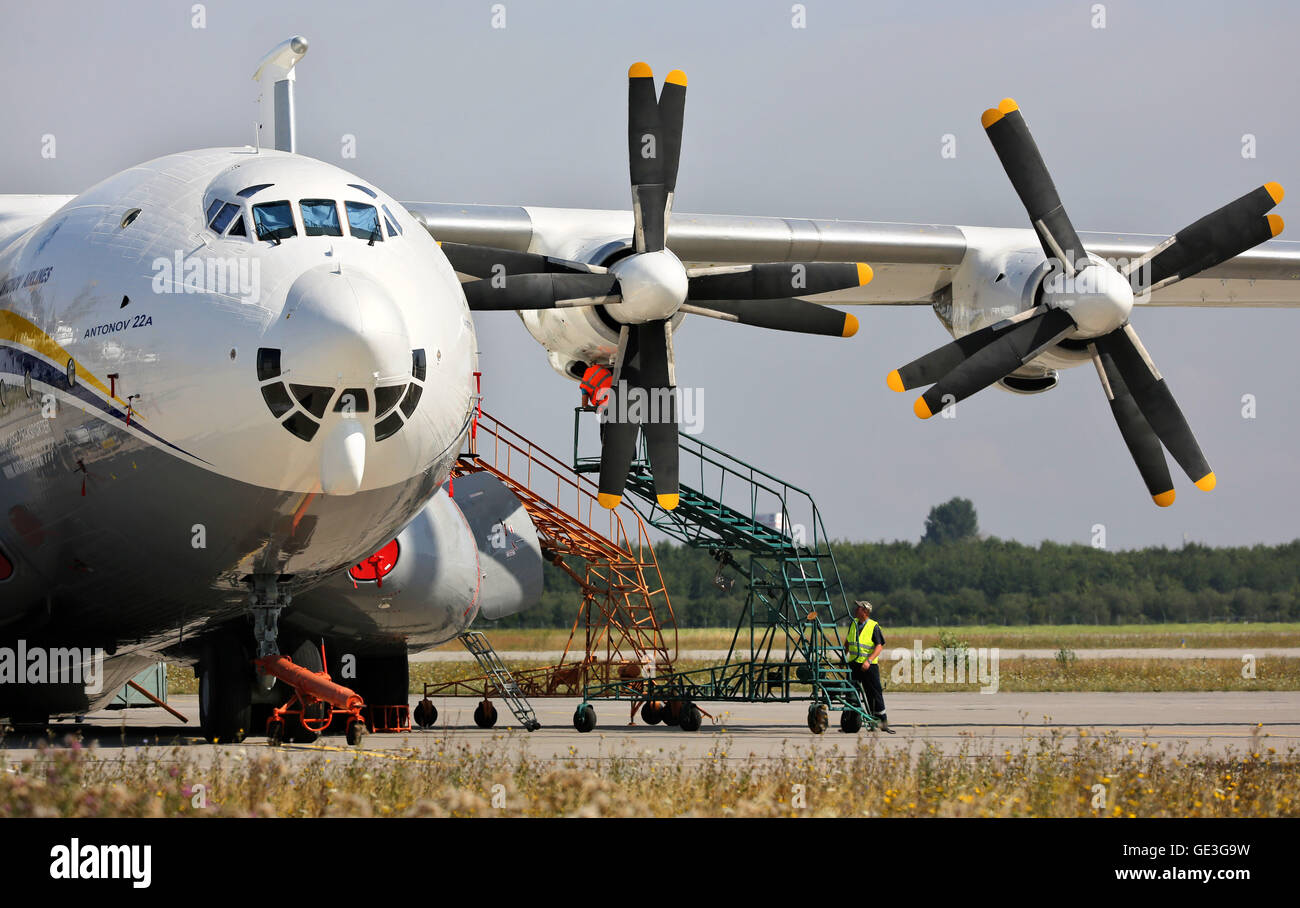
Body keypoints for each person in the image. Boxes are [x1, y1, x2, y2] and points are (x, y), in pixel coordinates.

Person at [846, 600, 894, 733]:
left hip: (868, 666)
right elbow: (848, 641)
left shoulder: (874, 626)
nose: (856, 609)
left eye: (859, 608)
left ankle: (882, 722)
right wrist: (844, 656)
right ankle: (851, 722)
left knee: (874, 693)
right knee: (851, 693)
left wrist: (869, 660)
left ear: (865, 611)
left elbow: (879, 646)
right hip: (854, 664)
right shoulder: (853, 623)